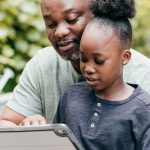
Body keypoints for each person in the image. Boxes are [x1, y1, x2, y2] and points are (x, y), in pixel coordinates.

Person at [0, 0, 150, 126]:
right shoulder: (42, 66)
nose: (60, 32)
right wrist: (26, 126)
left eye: (72, 19)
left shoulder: (143, 75)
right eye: (51, 24)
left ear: (99, 15)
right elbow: (6, 125)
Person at [53, 0, 150, 149]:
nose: (88, 68)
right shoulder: (70, 96)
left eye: (98, 61)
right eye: (84, 58)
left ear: (125, 58)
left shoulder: (143, 110)